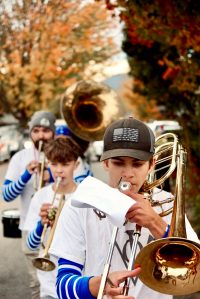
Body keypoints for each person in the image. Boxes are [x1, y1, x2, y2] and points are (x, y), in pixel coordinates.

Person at [49, 117, 199, 299]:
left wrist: (155, 222)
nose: (128, 174)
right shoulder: (79, 205)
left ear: (152, 164)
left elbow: (196, 272)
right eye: (119, 163)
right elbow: (62, 285)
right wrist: (100, 284)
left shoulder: (168, 203)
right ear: (105, 163)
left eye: (137, 164)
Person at [2, 110, 56, 299]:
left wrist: (53, 175)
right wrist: (25, 176)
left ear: (54, 132)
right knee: (37, 284)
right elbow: (7, 195)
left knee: (62, 281)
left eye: (46, 130)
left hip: (60, 228)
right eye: (37, 130)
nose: (41, 135)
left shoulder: (62, 156)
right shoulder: (20, 158)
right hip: (30, 227)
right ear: (31, 132)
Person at [23, 137, 81, 299]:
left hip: (77, 280)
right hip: (49, 283)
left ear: (76, 165)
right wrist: (41, 225)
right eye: (54, 164)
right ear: (47, 163)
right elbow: (30, 245)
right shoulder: (41, 196)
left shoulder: (83, 196)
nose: (59, 170)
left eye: (65, 164)